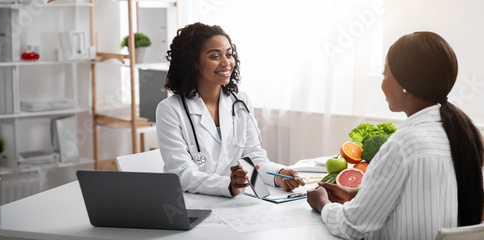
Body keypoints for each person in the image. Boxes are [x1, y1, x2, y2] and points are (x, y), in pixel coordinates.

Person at [307, 31, 484, 239]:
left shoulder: (402, 144)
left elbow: (351, 227)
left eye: (385, 75)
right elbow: (423, 199)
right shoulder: (462, 135)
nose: (382, 83)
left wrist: (322, 203)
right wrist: (359, 196)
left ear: (405, 83)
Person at [156, 22, 305, 197]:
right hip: (192, 203)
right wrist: (228, 184)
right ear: (193, 62)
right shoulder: (170, 110)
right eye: (215, 56)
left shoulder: (240, 102)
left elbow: (253, 159)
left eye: (229, 54)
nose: (227, 63)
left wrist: (278, 175)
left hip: (234, 202)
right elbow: (181, 174)